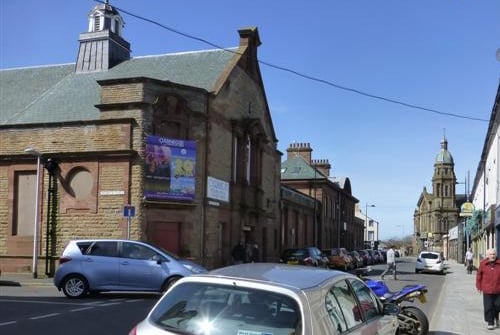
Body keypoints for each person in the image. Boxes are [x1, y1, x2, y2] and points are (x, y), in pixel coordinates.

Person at [476, 248, 500, 330]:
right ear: (487, 255)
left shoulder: (499, 263)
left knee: (497, 306)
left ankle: (496, 317)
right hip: (487, 289)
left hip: (498, 289)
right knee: (488, 307)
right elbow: (479, 276)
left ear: (496, 255)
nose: (492, 256)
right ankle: (490, 322)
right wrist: (478, 286)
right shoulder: (483, 264)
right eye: (490, 254)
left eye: (493, 254)